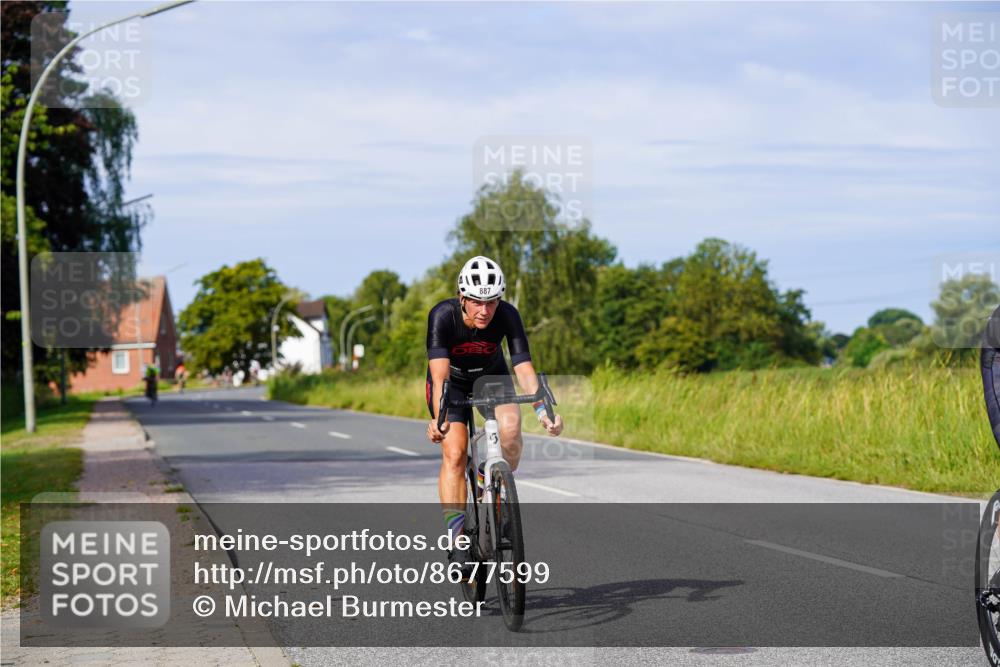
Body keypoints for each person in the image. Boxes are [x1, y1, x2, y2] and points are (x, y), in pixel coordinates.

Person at [425, 255, 564, 571]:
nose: (485, 310)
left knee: (511, 432)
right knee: (455, 452)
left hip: (492, 377)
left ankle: (490, 482)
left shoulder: (508, 315)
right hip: (452, 385)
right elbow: (439, 377)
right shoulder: (443, 316)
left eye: (491, 302)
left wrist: (543, 411)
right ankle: (457, 541)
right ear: (462, 298)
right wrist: (439, 419)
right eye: (477, 301)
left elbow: (523, 367)